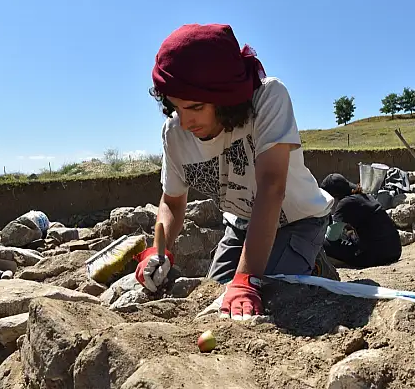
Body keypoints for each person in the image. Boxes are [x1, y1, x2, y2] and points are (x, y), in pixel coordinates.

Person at [134, 23, 335, 321]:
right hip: (241, 226)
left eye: (197, 107)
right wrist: (158, 250)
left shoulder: (268, 98)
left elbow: (271, 187)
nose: (186, 122)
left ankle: (316, 265)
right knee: (218, 299)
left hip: (299, 220)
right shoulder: (174, 133)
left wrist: (248, 278)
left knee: (269, 298)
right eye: (177, 107)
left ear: (226, 96)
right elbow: (173, 202)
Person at [320, 173, 402, 268]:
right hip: (394, 251)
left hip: (377, 256)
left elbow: (331, 237)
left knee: (322, 242)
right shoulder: (365, 197)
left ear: (334, 194)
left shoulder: (345, 203)